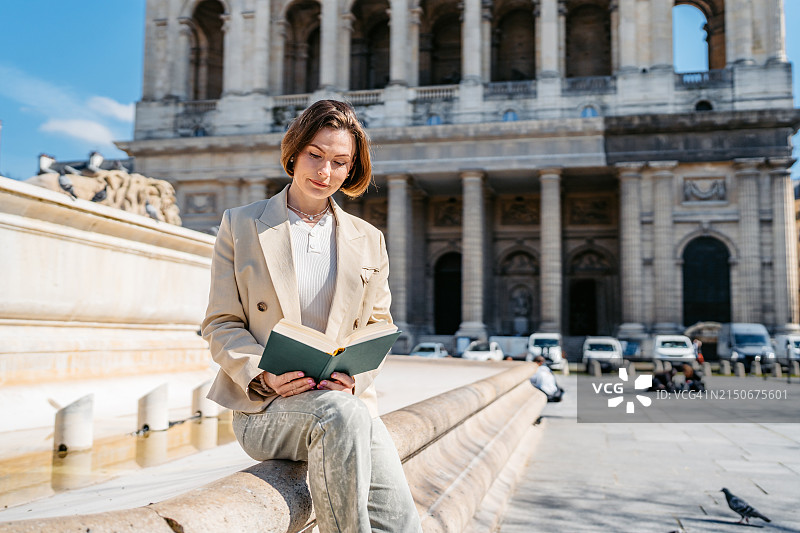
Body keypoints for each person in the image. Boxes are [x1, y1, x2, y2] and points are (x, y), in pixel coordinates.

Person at [201, 100, 422, 533]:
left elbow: (379, 325)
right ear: (294, 152)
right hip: (266, 406)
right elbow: (220, 323)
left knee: (401, 523)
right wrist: (263, 375)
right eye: (315, 155)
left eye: (340, 162)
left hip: (345, 402)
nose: (325, 171)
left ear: (352, 169)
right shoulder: (241, 224)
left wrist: (355, 379)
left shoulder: (370, 238)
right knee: (340, 417)